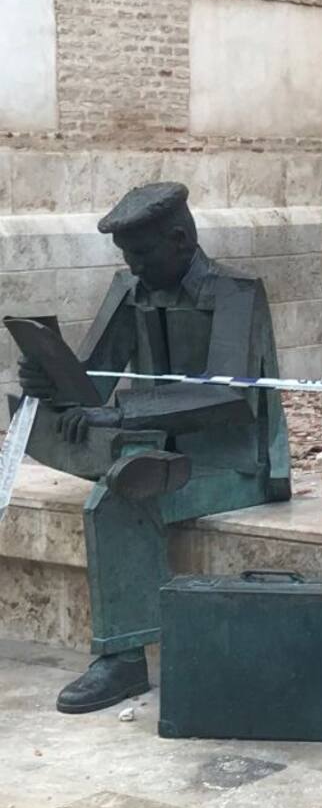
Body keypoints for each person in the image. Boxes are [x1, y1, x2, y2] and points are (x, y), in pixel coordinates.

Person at [15, 182, 291, 713]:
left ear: (181, 239)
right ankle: (112, 463)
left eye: (142, 254)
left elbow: (227, 395)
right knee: (61, 433)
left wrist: (118, 413)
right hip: (146, 445)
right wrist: (45, 377)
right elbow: (89, 389)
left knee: (120, 496)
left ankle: (122, 659)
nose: (134, 266)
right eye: (127, 256)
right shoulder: (129, 290)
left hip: (229, 462)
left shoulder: (237, 294)